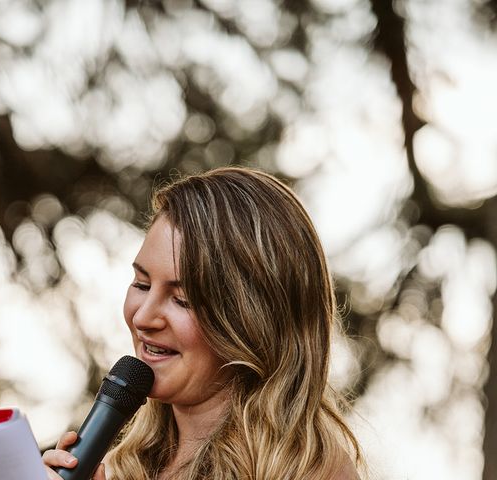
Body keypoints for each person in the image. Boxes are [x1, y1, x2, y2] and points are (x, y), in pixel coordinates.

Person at [43, 167, 362, 479]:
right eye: (141, 284)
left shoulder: (310, 472)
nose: (142, 318)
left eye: (183, 300)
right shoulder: (118, 469)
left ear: (251, 321)